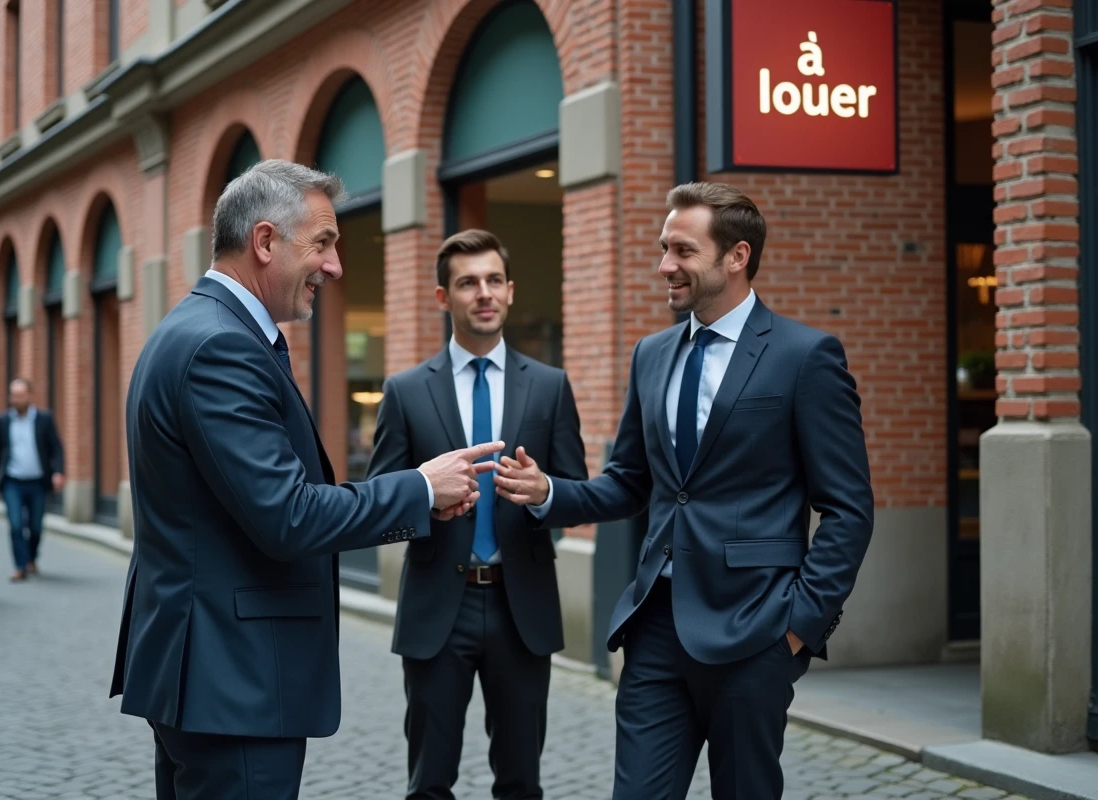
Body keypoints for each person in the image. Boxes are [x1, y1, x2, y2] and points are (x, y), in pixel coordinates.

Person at [109, 160, 502, 800]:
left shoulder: (199, 327)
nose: (335, 265)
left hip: (204, 670)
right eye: (322, 244)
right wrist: (422, 489)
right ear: (265, 242)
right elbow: (287, 515)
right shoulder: (221, 346)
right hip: (231, 680)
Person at [494, 182, 874, 799]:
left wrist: (799, 627)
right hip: (656, 630)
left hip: (755, 629)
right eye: (663, 248)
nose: (664, 265)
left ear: (736, 257)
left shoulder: (806, 357)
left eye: (681, 250)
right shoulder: (652, 354)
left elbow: (849, 509)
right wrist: (547, 493)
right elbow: (630, 483)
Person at [367, 229, 588, 800]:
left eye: (493, 281)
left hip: (523, 607)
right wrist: (426, 507)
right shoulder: (407, 391)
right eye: (468, 283)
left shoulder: (550, 387)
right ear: (444, 298)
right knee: (429, 782)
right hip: (440, 606)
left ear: (510, 292)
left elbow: (579, 491)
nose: (483, 293)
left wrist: (542, 493)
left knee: (520, 781)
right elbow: (377, 501)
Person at [0, 377, 65, 580]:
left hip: (38, 482)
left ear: (30, 396)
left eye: (20, 395)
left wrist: (58, 472)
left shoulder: (44, 419)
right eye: (13, 395)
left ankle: (31, 558)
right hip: (12, 481)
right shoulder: (2, 420)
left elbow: (56, 448)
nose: (15, 399)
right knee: (15, 525)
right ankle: (20, 566)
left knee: (35, 526)